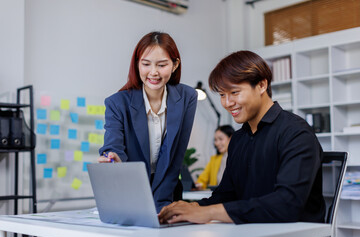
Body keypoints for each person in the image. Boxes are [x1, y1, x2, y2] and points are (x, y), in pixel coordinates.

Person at [159, 50, 326, 224]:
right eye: (222, 95)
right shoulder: (239, 139)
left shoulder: (296, 133)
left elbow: (287, 204)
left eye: (234, 92)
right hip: (253, 232)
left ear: (261, 85)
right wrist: (193, 207)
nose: (227, 103)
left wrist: (209, 213)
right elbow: (227, 195)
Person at [98, 32, 197, 212]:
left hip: (168, 193)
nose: (153, 72)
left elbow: (176, 156)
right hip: (130, 192)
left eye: (162, 65)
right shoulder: (117, 103)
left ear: (175, 65)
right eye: (146, 64)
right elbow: (113, 145)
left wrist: (161, 205)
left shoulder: (187, 97)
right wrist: (114, 158)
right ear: (137, 65)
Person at [195, 125, 235, 190]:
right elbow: (202, 179)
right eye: (215, 140)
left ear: (231, 138)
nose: (217, 143)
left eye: (221, 139)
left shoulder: (239, 157)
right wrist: (199, 185)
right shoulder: (214, 160)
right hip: (218, 197)